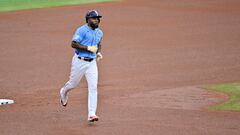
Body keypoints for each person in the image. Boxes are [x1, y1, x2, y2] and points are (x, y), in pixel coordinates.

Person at [59, 10, 103, 123]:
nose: (96, 20)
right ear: (88, 19)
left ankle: (91, 114)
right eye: (94, 18)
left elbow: (98, 44)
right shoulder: (81, 30)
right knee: (73, 84)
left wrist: (97, 53)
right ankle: (64, 91)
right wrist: (88, 48)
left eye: (97, 18)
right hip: (79, 62)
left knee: (93, 87)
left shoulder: (100, 33)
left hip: (92, 63)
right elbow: (73, 43)